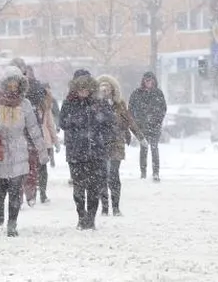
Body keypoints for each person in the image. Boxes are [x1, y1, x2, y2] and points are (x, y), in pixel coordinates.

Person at [0, 66, 49, 237]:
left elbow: (34, 128)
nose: (13, 87)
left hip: (19, 150)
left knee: (15, 191)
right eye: (10, 83)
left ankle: (12, 223)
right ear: (5, 84)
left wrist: (42, 150)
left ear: (20, 85)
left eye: (16, 84)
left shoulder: (25, 104)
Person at [59, 71, 113, 230]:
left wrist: (104, 138)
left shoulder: (100, 103)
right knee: (78, 187)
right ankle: (81, 216)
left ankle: (91, 217)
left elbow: (110, 123)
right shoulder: (69, 103)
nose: (83, 92)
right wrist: (76, 121)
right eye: (80, 89)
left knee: (94, 188)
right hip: (76, 152)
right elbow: (62, 122)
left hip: (96, 151)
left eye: (86, 89)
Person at [95, 75, 148, 216]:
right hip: (100, 144)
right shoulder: (95, 105)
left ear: (113, 89)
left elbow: (129, 120)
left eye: (108, 88)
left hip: (116, 142)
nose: (105, 91)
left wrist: (140, 137)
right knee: (102, 176)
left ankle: (116, 207)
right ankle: (105, 207)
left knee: (113, 174)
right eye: (102, 88)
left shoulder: (119, 104)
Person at [8, 59, 47, 206]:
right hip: (13, 133)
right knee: (15, 168)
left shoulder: (31, 85)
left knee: (30, 165)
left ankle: (29, 192)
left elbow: (41, 98)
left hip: (28, 133)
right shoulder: (5, 86)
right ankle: (18, 194)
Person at [128, 71, 167, 182]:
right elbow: (130, 108)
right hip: (142, 127)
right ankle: (143, 172)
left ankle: (155, 173)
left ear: (154, 81)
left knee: (154, 148)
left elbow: (163, 109)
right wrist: (136, 122)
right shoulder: (137, 93)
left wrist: (158, 121)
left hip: (155, 126)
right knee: (143, 148)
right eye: (147, 80)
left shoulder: (158, 93)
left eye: (151, 80)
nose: (149, 82)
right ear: (143, 81)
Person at [37, 84, 61, 203]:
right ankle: (42, 193)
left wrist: (55, 142)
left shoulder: (43, 108)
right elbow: (50, 126)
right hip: (43, 142)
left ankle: (37, 192)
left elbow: (51, 125)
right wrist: (55, 142)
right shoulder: (45, 107)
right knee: (42, 168)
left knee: (36, 168)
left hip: (34, 142)